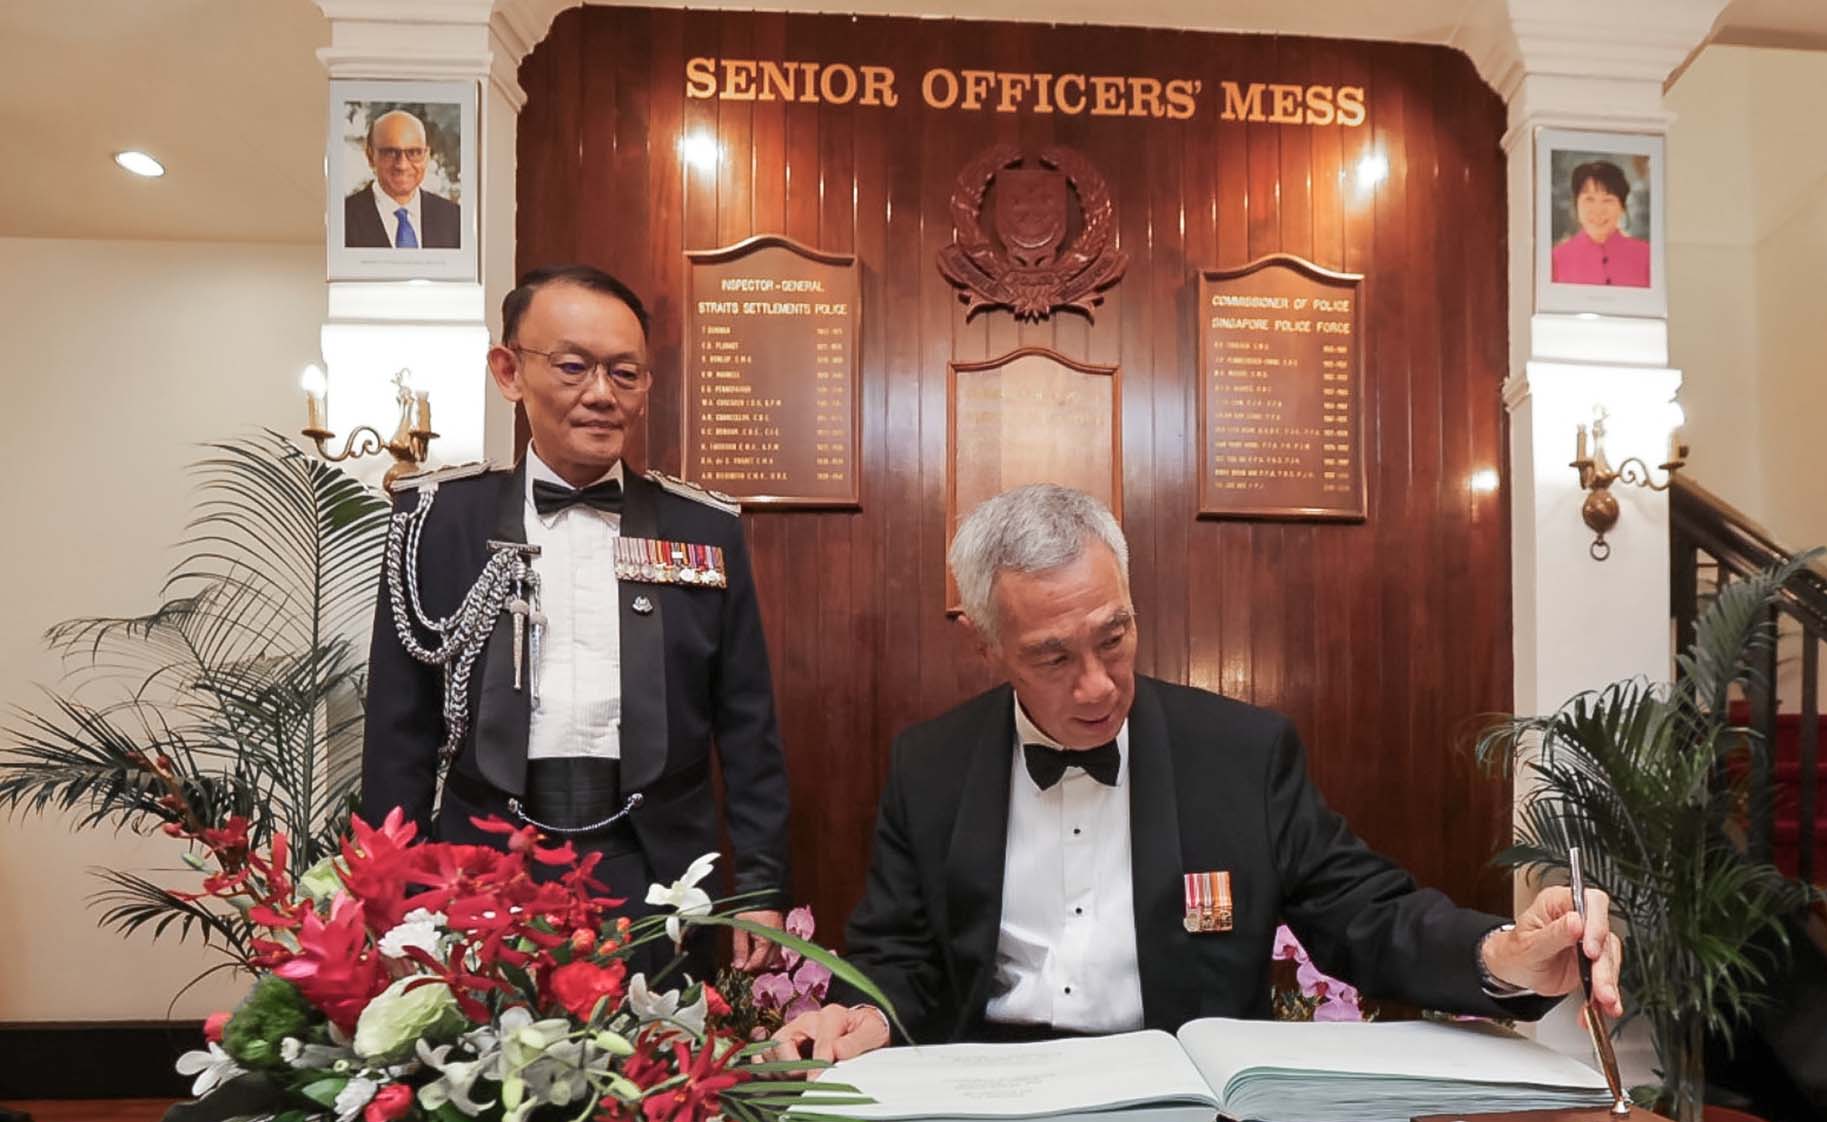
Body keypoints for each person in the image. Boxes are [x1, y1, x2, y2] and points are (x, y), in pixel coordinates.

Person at [773, 484, 1623, 1065]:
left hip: (1185, 1102)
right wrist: (866, 1016)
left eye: (1114, 636)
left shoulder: (1241, 754)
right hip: (988, 1093)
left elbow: (1367, 913)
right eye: (1052, 657)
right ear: (987, 647)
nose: (1099, 685)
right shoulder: (931, 765)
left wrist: (1503, 953)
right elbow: (901, 956)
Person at [361, 264, 786, 969]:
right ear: (509, 370)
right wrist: (389, 897)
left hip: (660, 868)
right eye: (572, 366)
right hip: (483, 865)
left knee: (661, 1072)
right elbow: (399, 730)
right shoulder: (436, 523)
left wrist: (763, 883)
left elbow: (749, 727)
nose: (600, 394)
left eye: (624, 373)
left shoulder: (704, 529)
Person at [342, 109, 463, 250]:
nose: (402, 165)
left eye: (414, 152)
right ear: (370, 156)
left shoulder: (454, 218)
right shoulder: (343, 218)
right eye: (391, 152)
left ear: (426, 156)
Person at [1550, 159, 1650, 287]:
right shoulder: (1556, 258)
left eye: (1608, 200)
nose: (1598, 210)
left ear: (1622, 207)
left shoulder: (1647, 256)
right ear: (1576, 205)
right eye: (1589, 199)